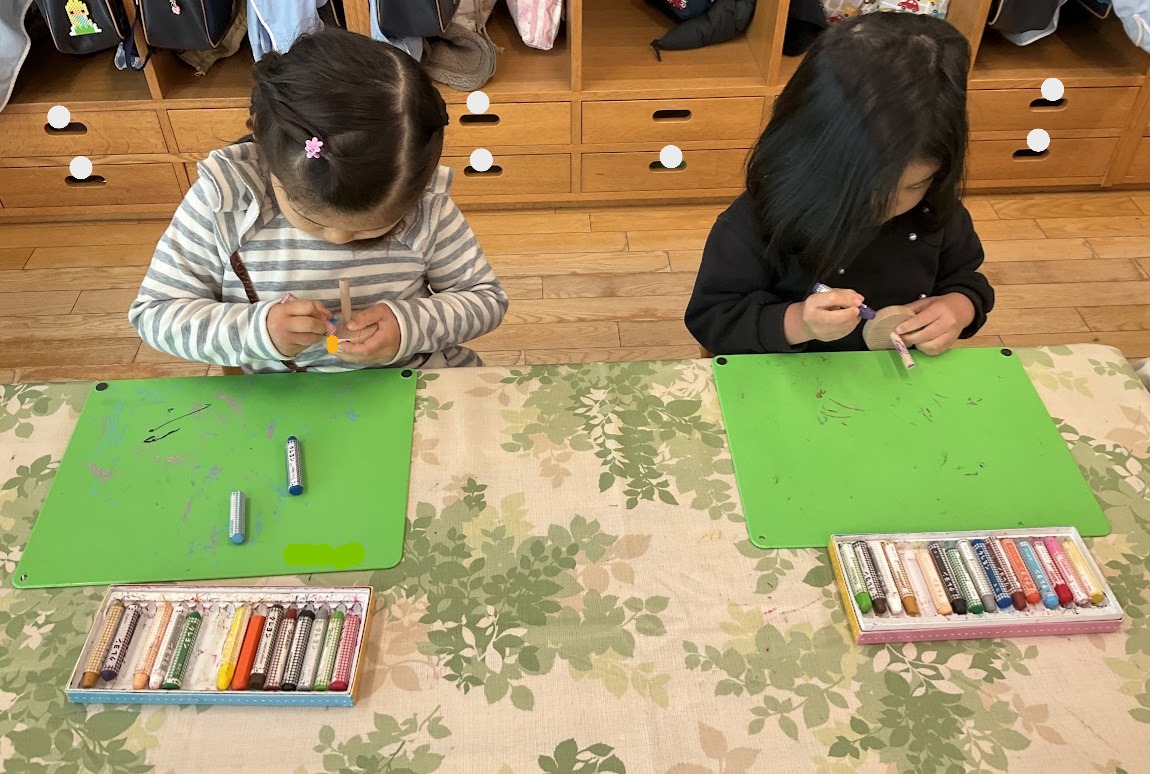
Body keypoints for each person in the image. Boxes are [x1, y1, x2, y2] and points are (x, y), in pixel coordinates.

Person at [129, 28, 508, 373]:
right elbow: (156, 313)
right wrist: (258, 331)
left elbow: (485, 300)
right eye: (311, 219)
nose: (338, 239)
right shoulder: (226, 200)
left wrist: (409, 326)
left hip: (415, 376)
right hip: (283, 396)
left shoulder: (427, 204)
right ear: (264, 151)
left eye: (372, 228)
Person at [685, 13, 994, 356]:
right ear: (811, 154)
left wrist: (959, 306)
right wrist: (798, 322)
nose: (886, 208)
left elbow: (966, 278)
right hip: (789, 375)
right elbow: (712, 317)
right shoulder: (761, 216)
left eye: (913, 186)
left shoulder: (934, 208)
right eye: (867, 191)